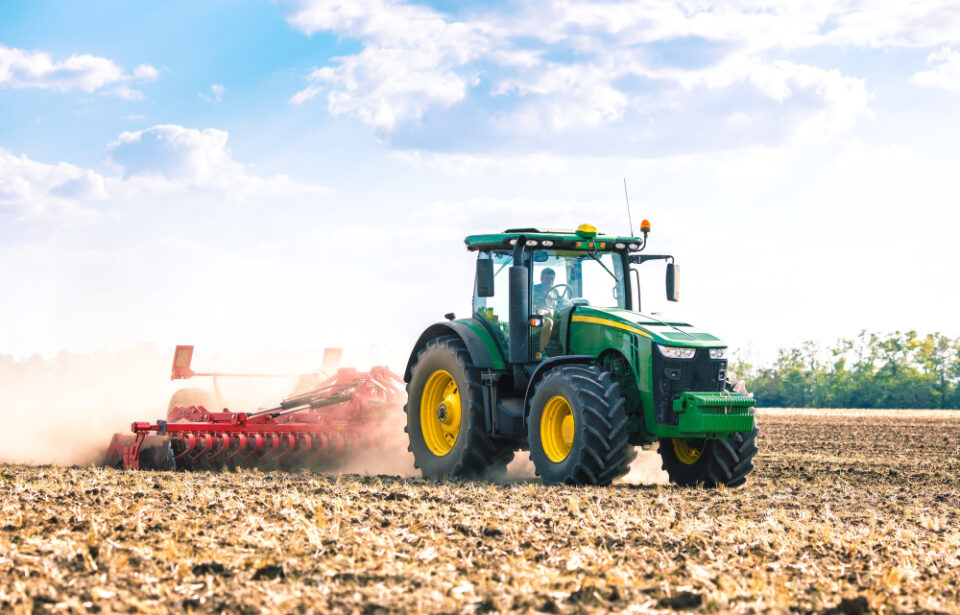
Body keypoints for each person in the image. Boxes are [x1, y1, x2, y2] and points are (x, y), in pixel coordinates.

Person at [532, 268, 556, 355]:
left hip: (550, 315)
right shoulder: (533, 290)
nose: (549, 281)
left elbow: (562, 302)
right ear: (541, 279)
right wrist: (536, 309)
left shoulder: (555, 291)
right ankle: (542, 351)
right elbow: (526, 303)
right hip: (535, 318)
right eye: (546, 278)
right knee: (548, 322)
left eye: (551, 279)